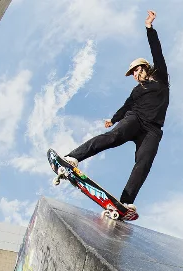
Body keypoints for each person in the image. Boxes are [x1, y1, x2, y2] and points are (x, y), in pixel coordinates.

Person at [63, 10, 169, 217]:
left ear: (145, 67)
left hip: (153, 130)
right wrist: (113, 119)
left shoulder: (161, 78)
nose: (136, 75)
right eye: (133, 74)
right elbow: (126, 106)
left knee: (144, 163)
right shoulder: (137, 91)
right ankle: (73, 157)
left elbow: (157, 51)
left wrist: (149, 28)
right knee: (113, 137)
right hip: (135, 119)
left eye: (138, 70)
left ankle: (125, 203)